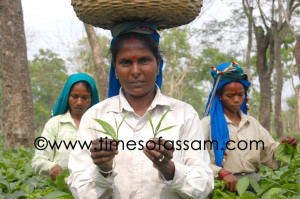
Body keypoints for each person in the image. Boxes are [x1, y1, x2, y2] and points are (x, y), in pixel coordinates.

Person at [67, 22, 214, 199]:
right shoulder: (95, 116)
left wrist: (169, 169)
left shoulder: (183, 114)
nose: (135, 71)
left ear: (158, 64)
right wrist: (103, 169)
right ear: (115, 69)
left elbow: (204, 185)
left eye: (144, 60)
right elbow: (79, 189)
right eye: (126, 62)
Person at [201, 62, 298, 192]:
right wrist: (220, 172)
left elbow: (271, 155)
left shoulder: (252, 124)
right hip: (220, 188)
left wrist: (287, 146)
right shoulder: (207, 124)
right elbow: (194, 159)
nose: (236, 99)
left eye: (240, 94)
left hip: (253, 187)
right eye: (230, 95)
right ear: (220, 96)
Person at [32, 73, 99, 181]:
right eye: (74, 96)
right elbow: (38, 160)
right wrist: (51, 167)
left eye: (85, 97)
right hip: (60, 190)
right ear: (67, 97)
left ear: (92, 98)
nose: (79, 102)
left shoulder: (98, 125)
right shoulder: (55, 124)